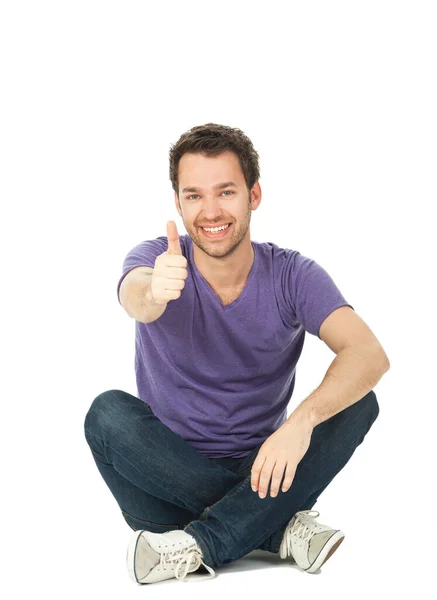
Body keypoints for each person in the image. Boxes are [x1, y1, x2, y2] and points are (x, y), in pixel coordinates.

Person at [84, 123, 390, 585]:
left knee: (358, 402)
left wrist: (300, 424)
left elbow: (368, 354)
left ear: (254, 194)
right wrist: (154, 293)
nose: (210, 211)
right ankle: (276, 528)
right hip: (161, 477)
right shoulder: (156, 258)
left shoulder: (293, 275)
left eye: (225, 192)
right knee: (107, 413)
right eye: (193, 196)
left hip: (266, 467)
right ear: (178, 203)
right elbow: (134, 296)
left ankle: (196, 544)